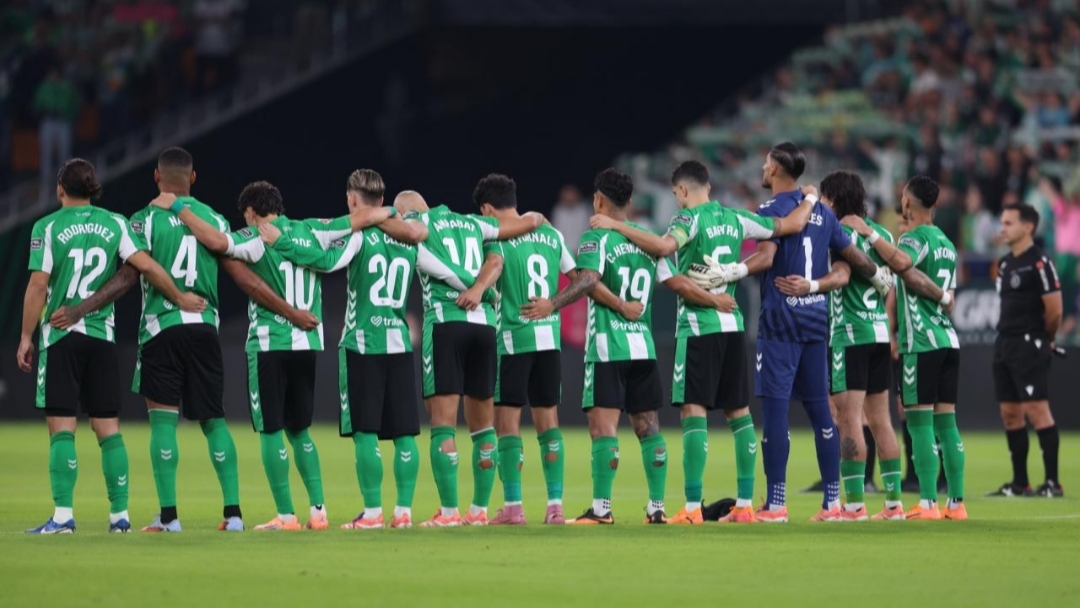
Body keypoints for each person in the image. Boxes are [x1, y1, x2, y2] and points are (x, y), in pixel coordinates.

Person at [48, 148, 315, 532]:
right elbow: (243, 277)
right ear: (192, 179)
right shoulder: (214, 219)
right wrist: (290, 311)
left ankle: (169, 518)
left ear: (157, 177)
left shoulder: (142, 221)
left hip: (162, 328)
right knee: (214, 421)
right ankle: (234, 515)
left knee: (163, 422)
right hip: (205, 327)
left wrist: (81, 308)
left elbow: (129, 274)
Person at [149, 181, 396, 531]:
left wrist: (177, 208)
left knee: (270, 432)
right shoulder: (313, 230)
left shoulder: (254, 237)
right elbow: (361, 219)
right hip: (308, 344)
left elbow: (218, 242)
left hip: (269, 344)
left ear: (251, 213)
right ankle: (318, 511)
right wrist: (393, 211)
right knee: (301, 432)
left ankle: (286, 515)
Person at [585, 160, 815, 524]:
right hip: (733, 324)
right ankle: (743, 505)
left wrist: (615, 225)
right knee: (739, 415)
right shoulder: (738, 219)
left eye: (676, 194)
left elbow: (662, 246)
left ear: (681, 191)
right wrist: (811, 197)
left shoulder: (686, 220)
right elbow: (792, 225)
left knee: (693, 412)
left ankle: (692, 508)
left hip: (698, 326)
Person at [689, 142, 892, 522]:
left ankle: (777, 504)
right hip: (816, 321)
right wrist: (878, 277)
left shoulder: (771, 210)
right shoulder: (825, 216)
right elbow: (849, 263)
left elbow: (765, 258)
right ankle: (833, 503)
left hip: (780, 322)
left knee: (776, 411)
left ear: (777, 171)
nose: (762, 170)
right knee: (821, 412)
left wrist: (730, 271)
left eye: (766, 165)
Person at [19, 158, 205, 534]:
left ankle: (62, 518)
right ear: (93, 190)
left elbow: (39, 285)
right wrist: (180, 297)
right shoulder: (115, 223)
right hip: (102, 339)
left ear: (59, 189)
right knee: (108, 430)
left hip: (61, 335)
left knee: (62, 428)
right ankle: (119, 517)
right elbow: (147, 268)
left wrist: (26, 336)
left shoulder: (47, 227)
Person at [525, 168, 675, 525]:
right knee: (649, 427)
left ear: (599, 201)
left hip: (609, 347)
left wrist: (553, 304)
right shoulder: (647, 238)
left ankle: (601, 510)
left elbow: (588, 279)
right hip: (645, 347)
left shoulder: (596, 238)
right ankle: (657, 509)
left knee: (602, 430)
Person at [394, 190, 544, 527]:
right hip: (485, 327)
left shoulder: (420, 222)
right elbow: (498, 259)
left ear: (406, 212)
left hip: (447, 322)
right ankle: (478, 511)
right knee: (482, 427)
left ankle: (449, 512)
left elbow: (411, 244)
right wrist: (481, 289)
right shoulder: (474, 223)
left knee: (443, 424)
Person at [842, 175, 965, 520]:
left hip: (921, 342)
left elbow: (903, 265)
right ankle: (956, 504)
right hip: (948, 338)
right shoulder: (947, 244)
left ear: (908, 203)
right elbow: (945, 292)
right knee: (947, 425)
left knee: (920, 425)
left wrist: (869, 233)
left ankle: (927, 503)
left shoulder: (914, 239)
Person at [789, 171, 907, 520]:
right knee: (881, 420)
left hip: (849, 333)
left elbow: (840, 274)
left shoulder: (834, 232)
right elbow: (892, 283)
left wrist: (809, 285)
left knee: (847, 417)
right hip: (878, 334)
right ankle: (894, 504)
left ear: (833, 200)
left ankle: (854, 505)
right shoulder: (881, 233)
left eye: (825, 198)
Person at [472, 174, 577, 526]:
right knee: (549, 423)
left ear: (487, 208)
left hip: (513, 340)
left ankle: (514, 507)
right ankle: (556, 507)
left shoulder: (496, 239)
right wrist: (554, 304)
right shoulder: (551, 234)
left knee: (508, 425)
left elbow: (493, 273)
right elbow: (578, 278)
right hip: (549, 338)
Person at [334, 171, 432, 530]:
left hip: (362, 343)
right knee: (405, 433)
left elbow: (326, 261)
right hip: (399, 342)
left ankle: (373, 512)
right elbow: (445, 271)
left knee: (366, 432)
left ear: (352, 200)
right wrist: (479, 287)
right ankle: (403, 511)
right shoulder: (409, 241)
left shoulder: (359, 236)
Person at [988, 204, 1064, 498]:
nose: (1003, 228)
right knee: (1010, 412)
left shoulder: (1040, 263)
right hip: (1004, 342)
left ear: (1028, 227)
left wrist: (1047, 338)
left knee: (1037, 410)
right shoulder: (1005, 264)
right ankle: (1020, 482)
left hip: (1030, 342)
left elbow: (1055, 310)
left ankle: (1052, 483)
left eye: (1008, 223)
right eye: (1002, 222)